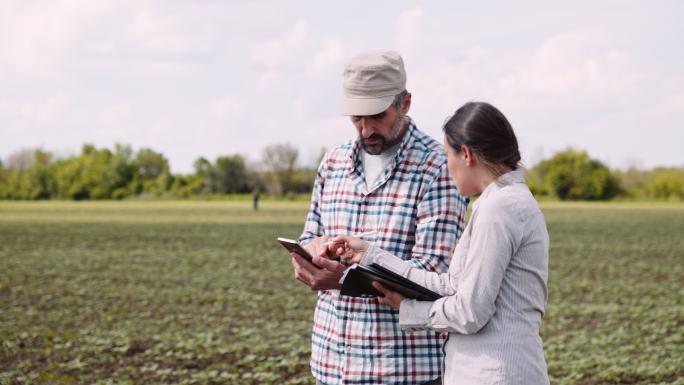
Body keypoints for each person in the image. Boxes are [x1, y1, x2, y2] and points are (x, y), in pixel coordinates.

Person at [328, 102, 550, 385]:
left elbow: (470, 312)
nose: (448, 165)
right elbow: (450, 286)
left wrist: (408, 309)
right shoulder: (503, 201)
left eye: (448, 155)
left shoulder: (500, 209)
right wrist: (370, 254)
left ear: (466, 155)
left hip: (497, 374)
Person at [291, 51, 468, 385]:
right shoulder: (334, 162)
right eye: (357, 118)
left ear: (405, 103)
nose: (366, 128)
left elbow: (432, 273)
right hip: (332, 363)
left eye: (377, 115)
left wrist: (344, 278)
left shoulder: (438, 167)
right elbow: (309, 234)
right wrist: (308, 257)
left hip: (404, 368)